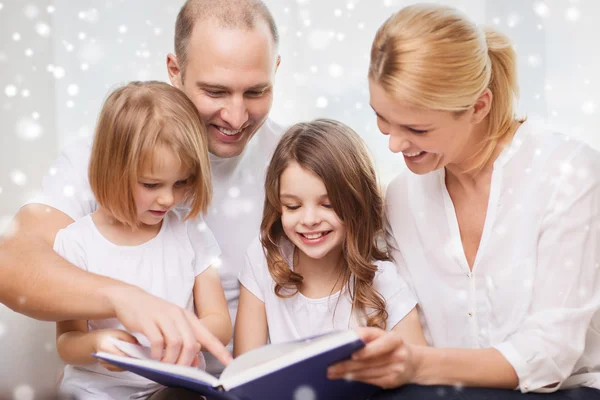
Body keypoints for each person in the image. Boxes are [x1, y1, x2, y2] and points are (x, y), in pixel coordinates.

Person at [328, 4, 600, 399]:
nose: (393, 144)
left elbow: (550, 356)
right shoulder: (402, 199)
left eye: (416, 128)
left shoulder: (567, 174)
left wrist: (418, 364)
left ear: (478, 107)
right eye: (382, 119)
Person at [0, 0, 283, 373]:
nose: (236, 116)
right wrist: (123, 298)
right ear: (175, 70)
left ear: (275, 71)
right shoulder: (106, 158)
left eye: (255, 92)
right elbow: (11, 263)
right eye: (215, 92)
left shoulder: (293, 160)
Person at [54, 81, 231, 399]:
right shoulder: (76, 242)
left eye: (182, 182)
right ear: (112, 170)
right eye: (151, 184)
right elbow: (68, 343)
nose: (168, 198)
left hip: (172, 389)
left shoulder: (190, 230)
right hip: (97, 390)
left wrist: (186, 332)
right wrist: (98, 345)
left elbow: (219, 322)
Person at [234, 119, 426, 355]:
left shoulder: (384, 281)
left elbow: (419, 375)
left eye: (327, 204)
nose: (310, 219)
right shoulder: (263, 259)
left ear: (356, 203)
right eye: (293, 206)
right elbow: (243, 370)